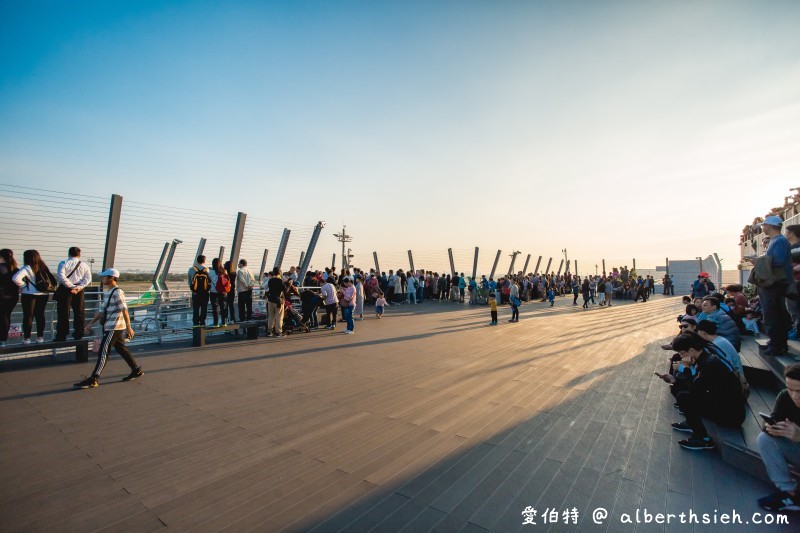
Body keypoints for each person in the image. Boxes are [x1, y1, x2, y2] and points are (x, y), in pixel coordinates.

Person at [670, 331, 746, 450]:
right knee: (679, 389)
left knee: (683, 397)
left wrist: (685, 369)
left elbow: (694, 391)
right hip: (725, 405)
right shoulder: (705, 356)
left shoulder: (709, 364)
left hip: (730, 415)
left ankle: (703, 439)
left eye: (682, 353)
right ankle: (691, 423)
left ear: (691, 350)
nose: (681, 356)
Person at [74, 268, 141, 389]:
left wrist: (129, 328)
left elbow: (124, 310)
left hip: (114, 327)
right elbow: (101, 312)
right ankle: (136, 370)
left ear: (112, 278)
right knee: (121, 349)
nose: (102, 279)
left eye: (104, 277)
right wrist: (90, 324)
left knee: (103, 351)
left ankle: (94, 378)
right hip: (109, 326)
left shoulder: (117, 292)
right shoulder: (107, 293)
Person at [756, 363, 800, 512]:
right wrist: (771, 427)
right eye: (790, 389)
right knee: (764, 439)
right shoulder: (785, 396)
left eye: (799, 391)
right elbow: (773, 419)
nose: (794, 396)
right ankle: (789, 493)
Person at [12, 249, 55, 344]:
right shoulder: (43, 266)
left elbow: (15, 278)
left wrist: (23, 286)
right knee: (40, 315)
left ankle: (27, 339)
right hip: (43, 294)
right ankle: (40, 338)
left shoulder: (27, 267)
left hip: (29, 295)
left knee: (28, 316)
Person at [54, 247, 92, 341]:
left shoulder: (63, 263)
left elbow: (61, 277)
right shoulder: (84, 265)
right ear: (79, 254)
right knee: (79, 312)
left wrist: (71, 286)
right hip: (79, 290)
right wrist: (78, 287)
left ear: (69, 253)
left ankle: (61, 335)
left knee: (63, 313)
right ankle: (78, 333)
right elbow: (88, 279)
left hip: (65, 290)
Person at [0, 249, 19, 347]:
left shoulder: (1, 268)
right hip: (13, 297)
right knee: (6, 316)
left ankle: (2, 339)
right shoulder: (15, 268)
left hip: (2, 296)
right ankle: (3, 340)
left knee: (3, 316)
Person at [188, 255, 210, 326]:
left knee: (196, 308)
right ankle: (202, 322)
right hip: (205, 293)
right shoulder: (207, 269)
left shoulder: (191, 269)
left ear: (197, 260)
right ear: (204, 261)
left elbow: (189, 282)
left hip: (195, 293)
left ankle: (196, 323)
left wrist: (193, 290)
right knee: (204, 308)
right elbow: (209, 281)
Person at [207, 258, 230, 326]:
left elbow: (209, 281)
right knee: (224, 307)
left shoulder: (210, 272)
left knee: (215, 308)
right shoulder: (224, 271)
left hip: (213, 292)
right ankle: (224, 322)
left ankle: (216, 322)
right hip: (223, 292)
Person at [265, 267, 284, 337]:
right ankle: (278, 332)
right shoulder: (280, 281)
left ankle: (269, 331)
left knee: (271, 316)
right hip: (278, 300)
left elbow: (269, 289)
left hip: (270, 300)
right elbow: (285, 290)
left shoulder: (270, 280)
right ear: (279, 272)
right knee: (279, 316)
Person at [223, 260, 237, 325]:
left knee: (225, 306)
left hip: (225, 291)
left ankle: (225, 320)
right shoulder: (234, 274)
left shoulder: (224, 274)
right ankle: (233, 319)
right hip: (232, 290)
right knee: (231, 306)